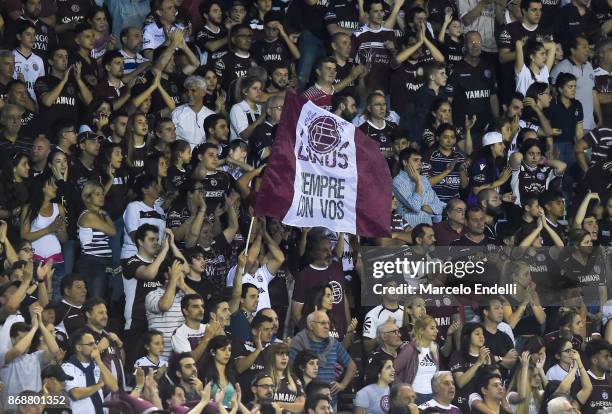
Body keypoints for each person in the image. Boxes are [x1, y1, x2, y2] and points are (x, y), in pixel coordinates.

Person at [289, 310, 358, 406]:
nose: (327, 326)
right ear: (310, 325)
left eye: (328, 323)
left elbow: (352, 366)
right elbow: (289, 371)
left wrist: (342, 385)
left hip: (330, 403)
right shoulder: (298, 343)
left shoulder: (334, 344)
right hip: (305, 402)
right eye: (322, 323)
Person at [62, 330, 120, 413]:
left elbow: (114, 388)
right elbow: (75, 394)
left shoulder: (97, 365)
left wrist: (99, 361)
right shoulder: (68, 367)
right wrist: (99, 385)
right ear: (79, 348)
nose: (96, 347)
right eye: (90, 344)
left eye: (95, 343)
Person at [75, 181, 115, 300]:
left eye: (102, 194)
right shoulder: (89, 216)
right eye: (97, 194)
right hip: (92, 263)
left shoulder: (98, 215)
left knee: (101, 301)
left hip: (101, 263)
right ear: (88, 198)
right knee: (95, 302)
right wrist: (106, 214)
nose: (102, 196)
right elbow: (112, 231)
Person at [393, 148, 445, 227]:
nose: (420, 164)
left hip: (428, 228)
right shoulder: (397, 181)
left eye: (420, 160)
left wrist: (432, 210)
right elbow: (416, 207)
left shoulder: (423, 179)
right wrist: (417, 182)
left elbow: (438, 204)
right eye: (415, 160)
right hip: (408, 230)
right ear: (405, 162)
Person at [394, 315, 440, 403]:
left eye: (436, 328)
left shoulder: (435, 348)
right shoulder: (410, 349)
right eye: (432, 328)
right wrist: (404, 390)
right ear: (421, 330)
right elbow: (393, 371)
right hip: (415, 396)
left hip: (433, 396)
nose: (436, 331)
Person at [172, 75, 215, 151]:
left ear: (203, 92)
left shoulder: (211, 115)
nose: (189, 94)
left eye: (193, 91)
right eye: (187, 91)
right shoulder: (177, 113)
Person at [264, 342, 305, 412]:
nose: (284, 357)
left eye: (287, 354)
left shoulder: (294, 379)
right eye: (280, 354)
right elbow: (262, 404)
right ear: (271, 357)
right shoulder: (264, 379)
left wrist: (280, 404)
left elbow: (302, 406)